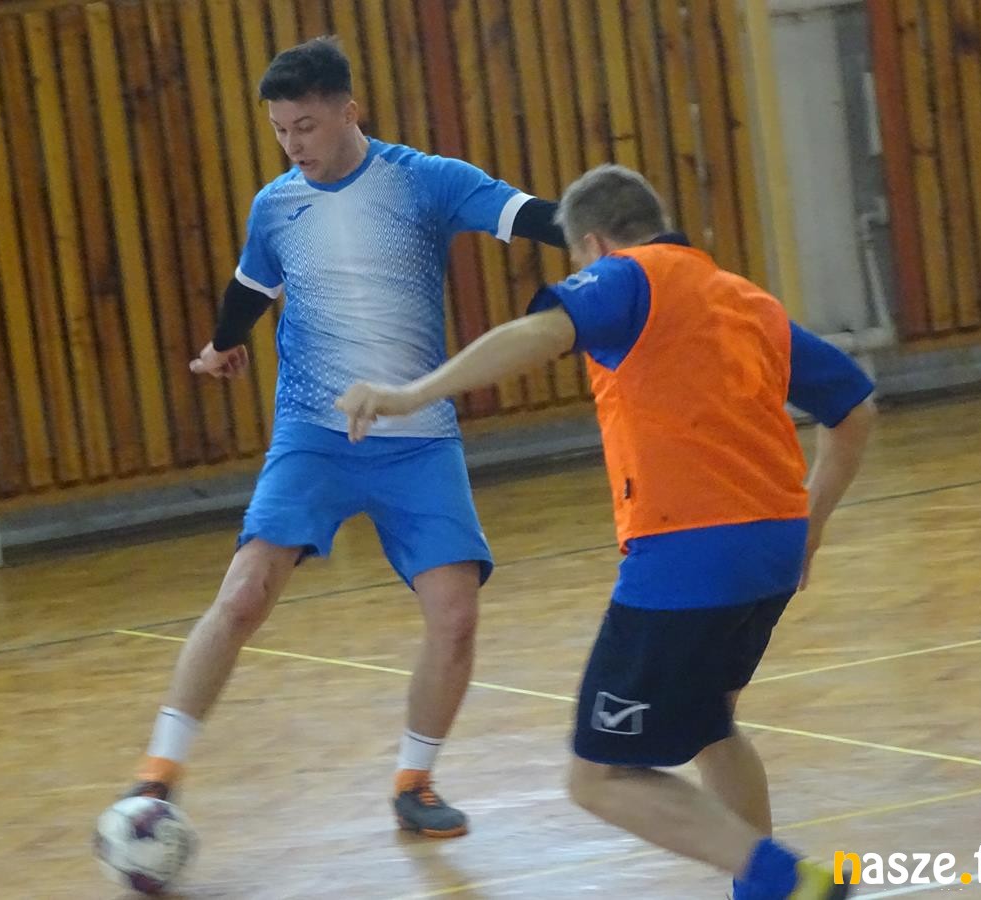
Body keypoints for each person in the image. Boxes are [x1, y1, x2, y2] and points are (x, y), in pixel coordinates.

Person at [336, 163, 875, 898]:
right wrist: (813, 521)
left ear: (592, 244)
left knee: (599, 776)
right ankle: (765, 892)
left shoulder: (627, 276)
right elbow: (855, 409)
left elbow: (540, 332)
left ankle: (786, 880)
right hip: (772, 548)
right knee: (710, 727)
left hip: (687, 552)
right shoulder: (744, 298)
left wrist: (410, 394)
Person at [119, 35, 568, 839]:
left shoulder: (424, 181)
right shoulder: (276, 206)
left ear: (348, 110)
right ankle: (156, 780)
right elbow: (251, 286)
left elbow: (531, 216)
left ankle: (414, 783)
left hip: (418, 440)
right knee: (244, 594)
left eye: (306, 127)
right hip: (314, 435)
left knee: (456, 617)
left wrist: (622, 242)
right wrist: (223, 345)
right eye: (279, 131)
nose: (293, 145)